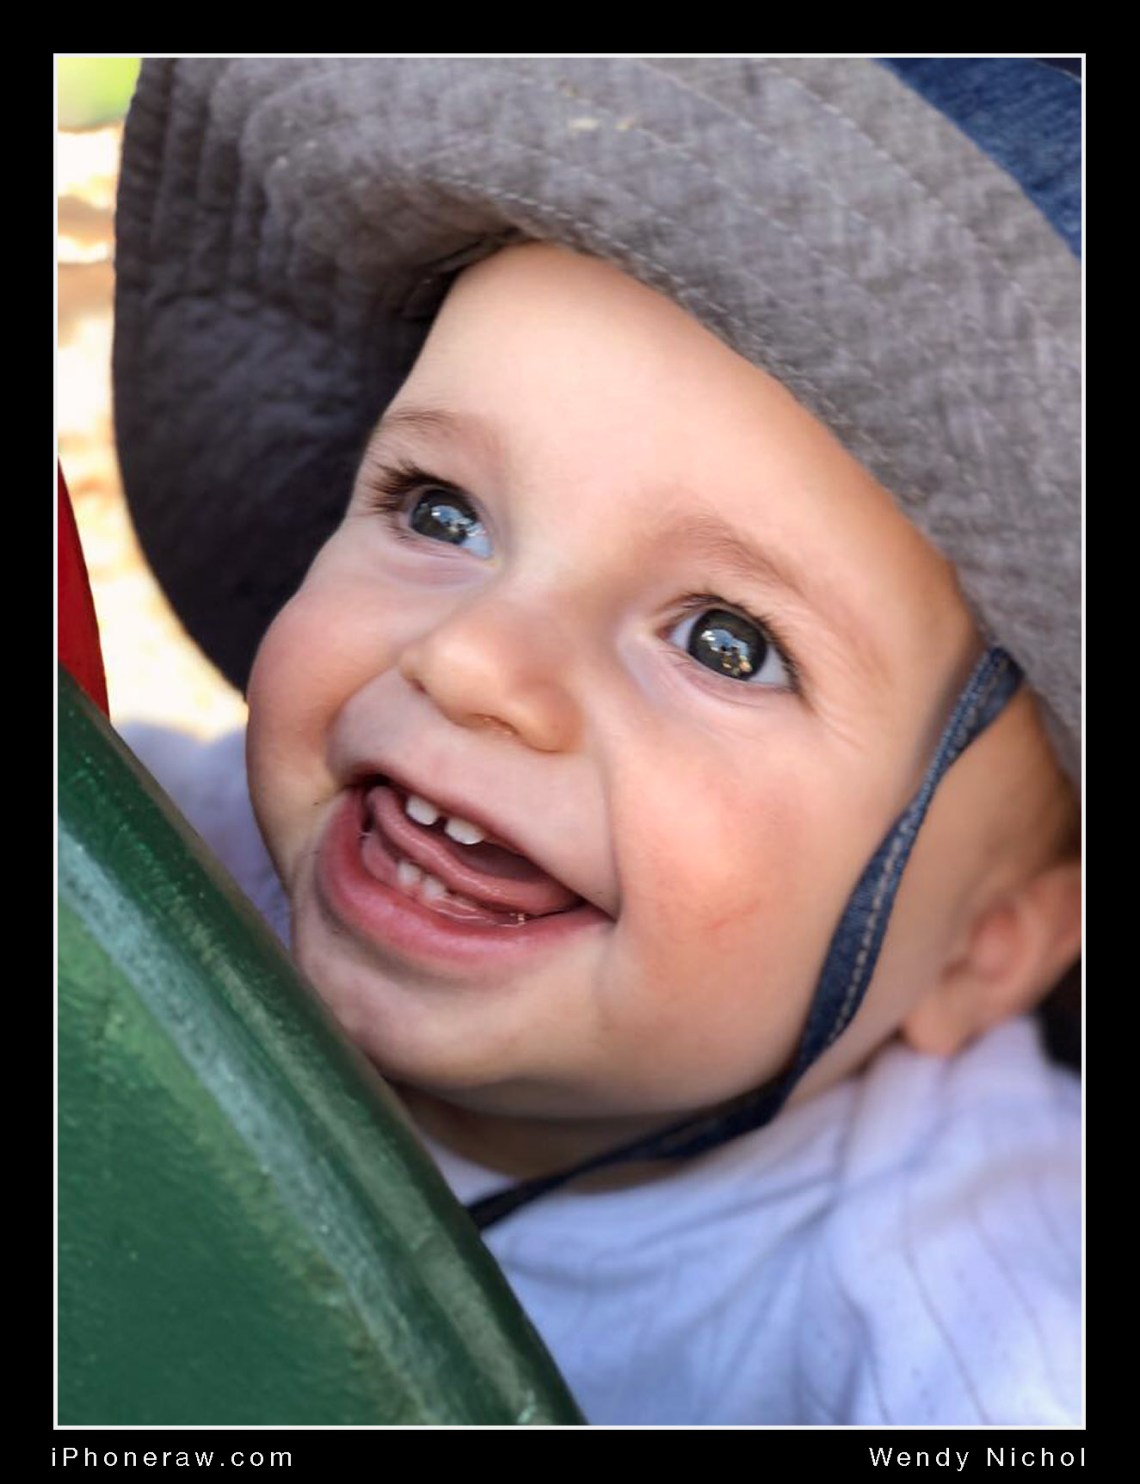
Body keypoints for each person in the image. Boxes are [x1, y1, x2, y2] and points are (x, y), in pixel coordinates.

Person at [111, 57, 1081, 1426]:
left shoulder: (975, 1334)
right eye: (441, 509)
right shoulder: (137, 878)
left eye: (727, 642)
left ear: (989, 947)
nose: (474, 661)